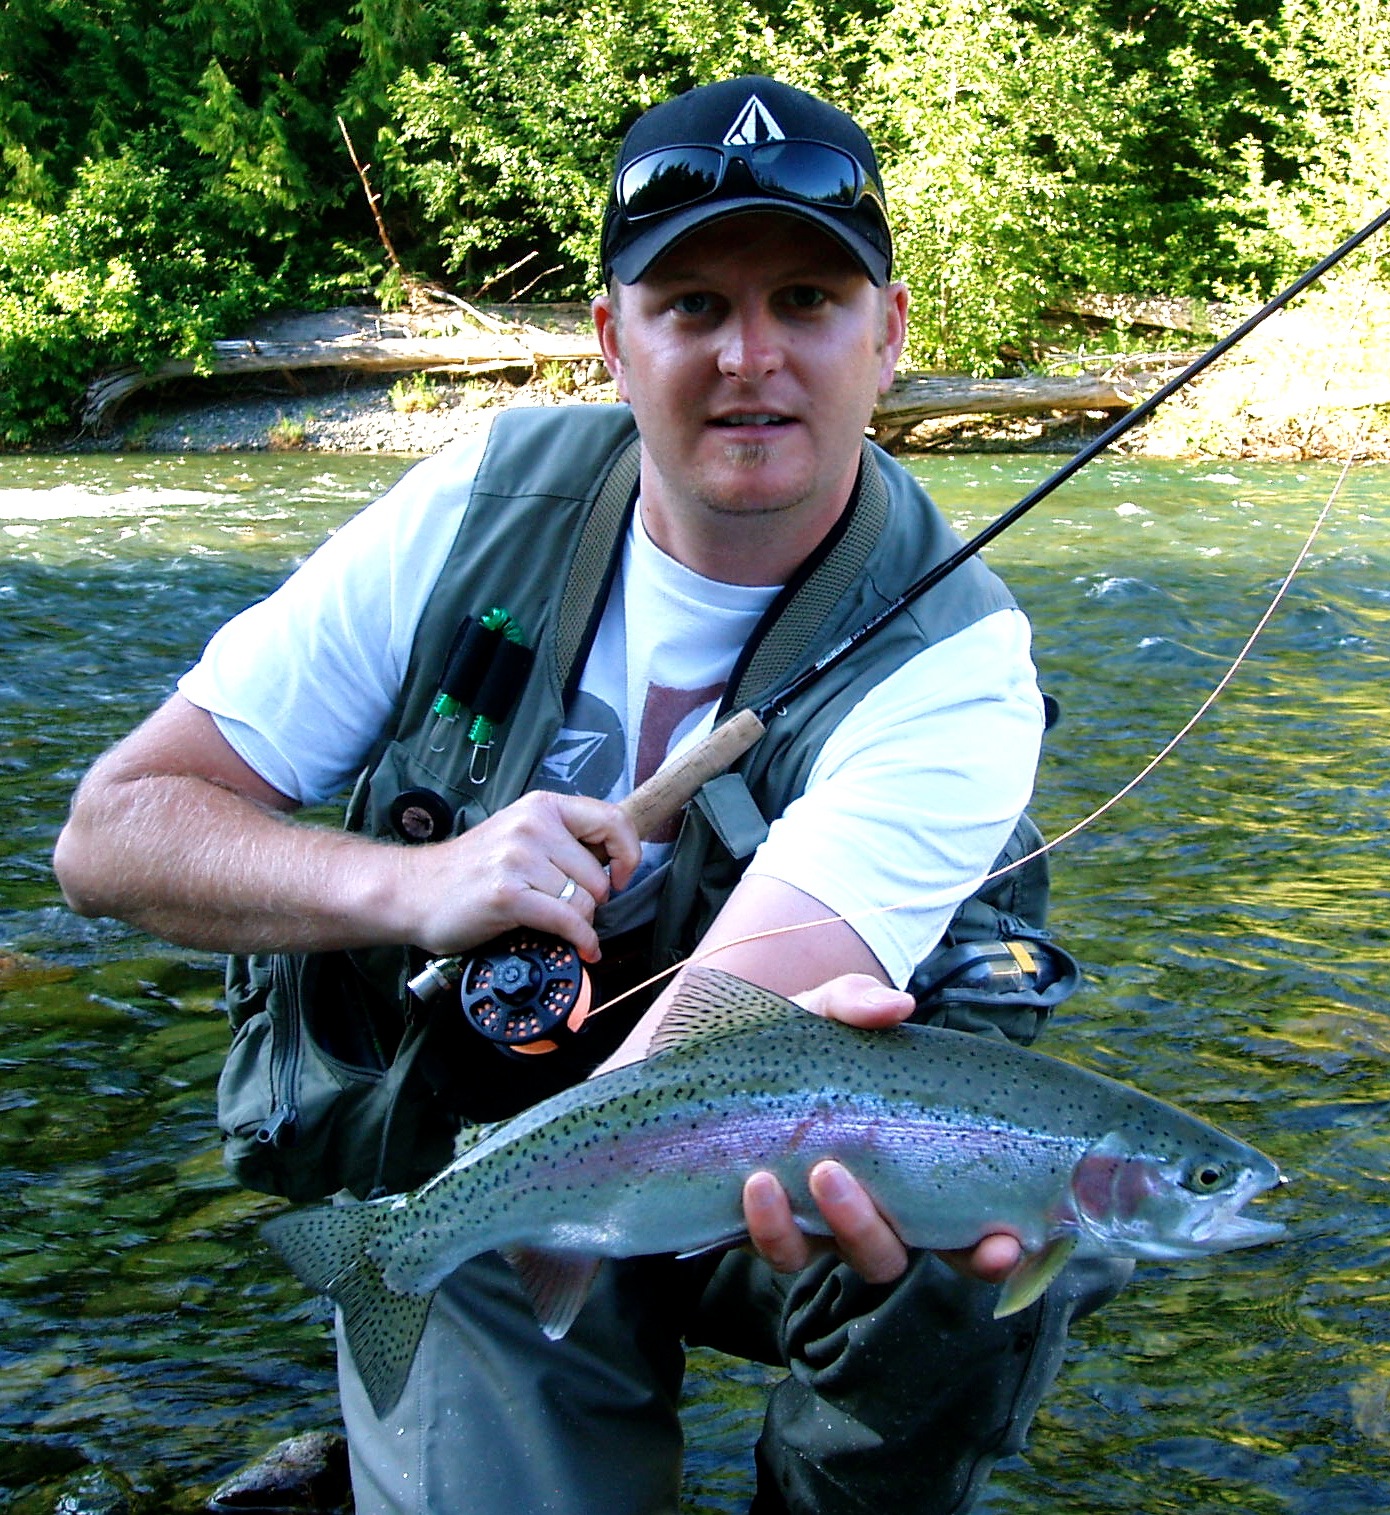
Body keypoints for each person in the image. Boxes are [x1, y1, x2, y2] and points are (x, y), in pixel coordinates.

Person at [54, 75, 1124, 1515]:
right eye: (692, 305)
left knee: (985, 1254)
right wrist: (411, 886)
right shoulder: (477, 504)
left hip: (761, 1157)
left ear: (890, 334)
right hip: (471, 1131)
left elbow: (704, 1064)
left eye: (807, 299)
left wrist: (529, 1189)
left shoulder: (959, 662)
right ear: (614, 340)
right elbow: (112, 834)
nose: (751, 356)